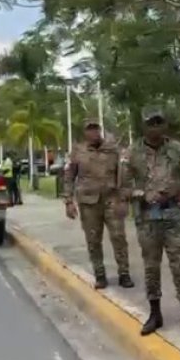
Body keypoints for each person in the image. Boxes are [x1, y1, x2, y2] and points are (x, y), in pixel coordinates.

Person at [123, 107, 180, 336]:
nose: (156, 127)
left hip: (174, 216)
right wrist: (142, 195)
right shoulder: (132, 153)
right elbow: (122, 187)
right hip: (148, 218)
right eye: (151, 123)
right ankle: (154, 314)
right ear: (144, 126)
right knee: (151, 267)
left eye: (159, 123)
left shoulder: (176, 148)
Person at [63, 118, 134, 289]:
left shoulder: (112, 149)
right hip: (88, 203)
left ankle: (124, 273)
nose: (93, 132)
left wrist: (124, 198)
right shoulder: (78, 152)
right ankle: (100, 275)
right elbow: (69, 177)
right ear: (85, 132)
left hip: (112, 199)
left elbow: (123, 175)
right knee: (93, 240)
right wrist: (68, 201)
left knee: (119, 237)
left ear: (100, 130)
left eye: (96, 129)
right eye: (90, 129)